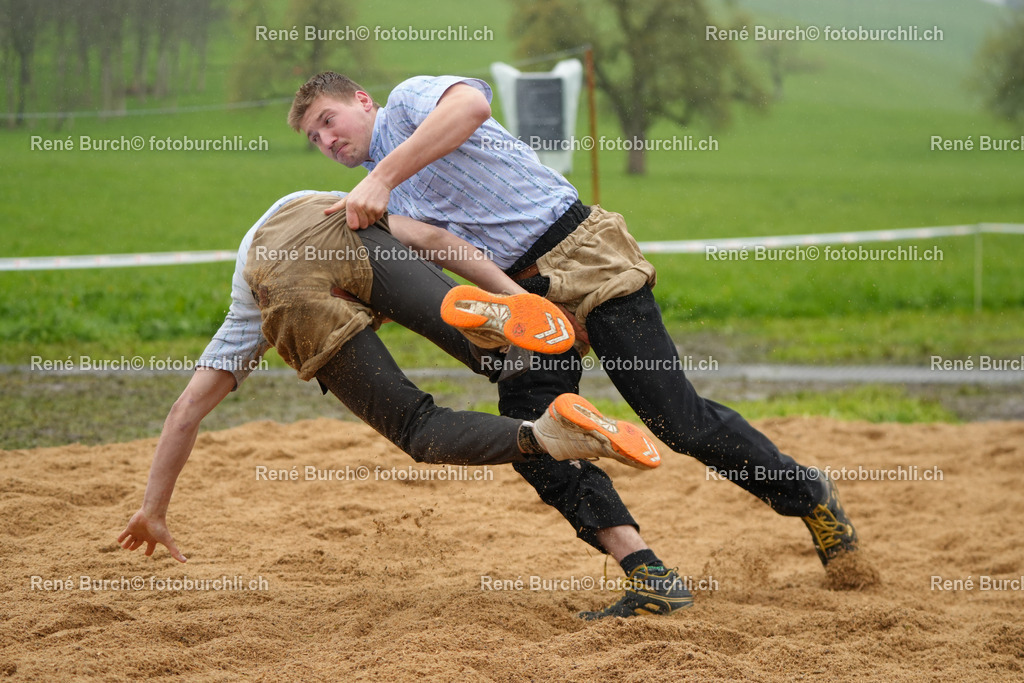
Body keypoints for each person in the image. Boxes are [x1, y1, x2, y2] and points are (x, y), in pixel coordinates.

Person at [288, 72, 860, 619]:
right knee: (533, 437)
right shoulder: (378, 203)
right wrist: (519, 306)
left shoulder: (410, 101)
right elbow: (444, 245)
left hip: (584, 252)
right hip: (521, 294)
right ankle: (648, 574)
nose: (327, 140)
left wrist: (382, 178)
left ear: (363, 101)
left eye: (328, 120)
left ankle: (809, 496)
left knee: (674, 419)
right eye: (314, 137)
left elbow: (472, 109)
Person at [117, 190, 662, 566]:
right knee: (497, 356)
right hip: (336, 228)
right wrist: (514, 296)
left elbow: (185, 411)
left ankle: (546, 435)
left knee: (419, 427)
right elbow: (427, 237)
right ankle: (493, 325)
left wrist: (153, 509)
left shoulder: (247, 304)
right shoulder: (333, 201)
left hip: (282, 285)